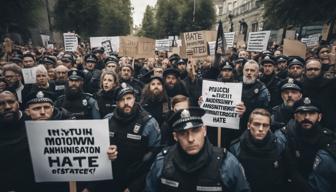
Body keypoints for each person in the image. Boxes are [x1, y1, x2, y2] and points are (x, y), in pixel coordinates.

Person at [145, 107, 250, 192]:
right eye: (183, 133)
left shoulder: (227, 164)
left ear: (204, 131)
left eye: (195, 131)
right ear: (175, 136)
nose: (190, 139)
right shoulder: (162, 162)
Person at [92, 83, 161, 192]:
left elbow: (154, 160)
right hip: (109, 181)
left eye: (129, 98)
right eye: (122, 100)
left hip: (135, 182)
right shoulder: (107, 120)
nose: (126, 103)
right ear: (116, 103)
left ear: (135, 99)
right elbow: (97, 152)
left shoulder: (149, 123)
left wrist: (135, 187)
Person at [275, 97, 336, 192]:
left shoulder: (328, 138)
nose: (306, 117)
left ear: (319, 117)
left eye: (311, 113)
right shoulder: (285, 136)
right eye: (302, 113)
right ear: (295, 116)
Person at [230, 108, 289, 192]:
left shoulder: (279, 146)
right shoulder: (236, 148)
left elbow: (285, 175)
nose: (261, 129)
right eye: (257, 124)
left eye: (265, 125)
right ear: (249, 125)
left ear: (269, 127)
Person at [0, 91, 35, 191]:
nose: (7, 107)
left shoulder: (32, 121)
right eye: (1, 104)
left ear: (18, 104)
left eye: (11, 102)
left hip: (31, 184)